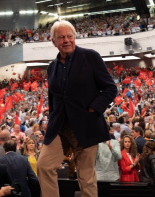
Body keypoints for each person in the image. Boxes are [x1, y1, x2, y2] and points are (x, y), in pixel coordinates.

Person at [37, 20, 117, 197]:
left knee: (86, 177)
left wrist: (93, 109)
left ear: (74, 37)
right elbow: (54, 99)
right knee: (43, 165)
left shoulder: (90, 57)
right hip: (60, 127)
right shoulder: (51, 67)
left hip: (86, 125)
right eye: (61, 37)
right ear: (53, 41)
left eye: (69, 36)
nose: (66, 40)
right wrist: (51, 121)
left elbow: (111, 88)